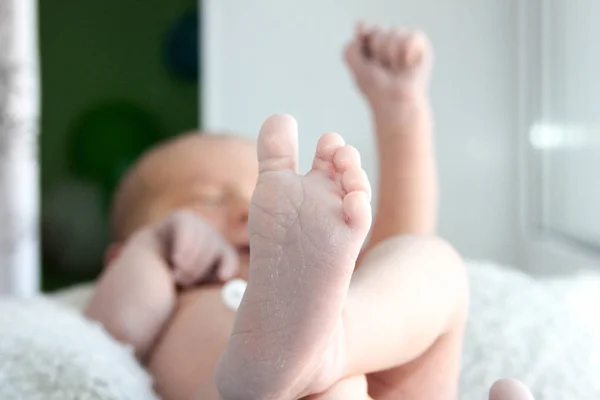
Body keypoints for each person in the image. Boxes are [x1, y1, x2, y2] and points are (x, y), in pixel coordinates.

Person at [85, 23, 528, 400]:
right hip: (280, 388)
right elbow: (114, 332)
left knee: (433, 262)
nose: (247, 210)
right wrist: (156, 248)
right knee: (337, 385)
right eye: (208, 199)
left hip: (363, 363)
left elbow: (398, 239)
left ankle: (333, 343)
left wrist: (401, 110)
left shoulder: (322, 278)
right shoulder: (175, 291)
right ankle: (318, 353)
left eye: (259, 196)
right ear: (116, 256)